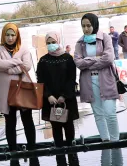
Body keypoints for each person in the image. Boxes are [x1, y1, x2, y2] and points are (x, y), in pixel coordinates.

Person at [74, 14, 119, 142]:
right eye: (83, 26)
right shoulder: (80, 42)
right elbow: (78, 62)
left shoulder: (105, 38)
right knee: (98, 114)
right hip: (89, 82)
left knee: (110, 113)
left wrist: (88, 62)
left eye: (89, 25)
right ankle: (105, 140)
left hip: (106, 80)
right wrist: (97, 60)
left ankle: (115, 141)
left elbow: (109, 58)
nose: (86, 29)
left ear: (95, 24)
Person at [0, 23, 35, 151]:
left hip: (22, 89)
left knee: (27, 119)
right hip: (7, 91)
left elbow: (27, 65)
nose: (10, 38)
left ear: (17, 36)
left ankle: (32, 148)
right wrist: (18, 62)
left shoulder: (24, 49)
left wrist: (9, 70)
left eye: (13, 35)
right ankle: (12, 150)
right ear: (3, 35)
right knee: (10, 122)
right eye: (7, 35)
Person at [36, 32, 79, 147]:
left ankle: (72, 155)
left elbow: (71, 78)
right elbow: (40, 80)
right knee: (56, 127)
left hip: (66, 99)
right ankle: (60, 157)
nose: (51, 45)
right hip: (51, 100)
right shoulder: (43, 61)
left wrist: (64, 95)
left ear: (58, 41)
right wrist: (48, 95)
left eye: (53, 42)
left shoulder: (67, 58)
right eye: (48, 43)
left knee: (68, 126)